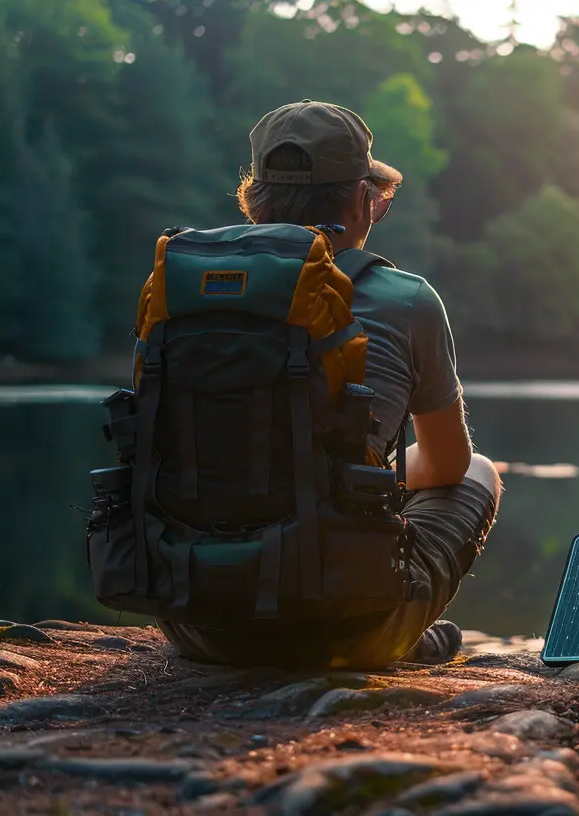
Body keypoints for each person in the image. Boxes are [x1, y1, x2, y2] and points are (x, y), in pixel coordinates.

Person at [155, 100, 501, 669]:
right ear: (363, 201)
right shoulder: (407, 299)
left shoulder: (184, 284)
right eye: (379, 198)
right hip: (340, 630)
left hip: (193, 624)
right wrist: (368, 477)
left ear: (253, 199)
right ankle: (390, 636)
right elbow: (445, 466)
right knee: (478, 470)